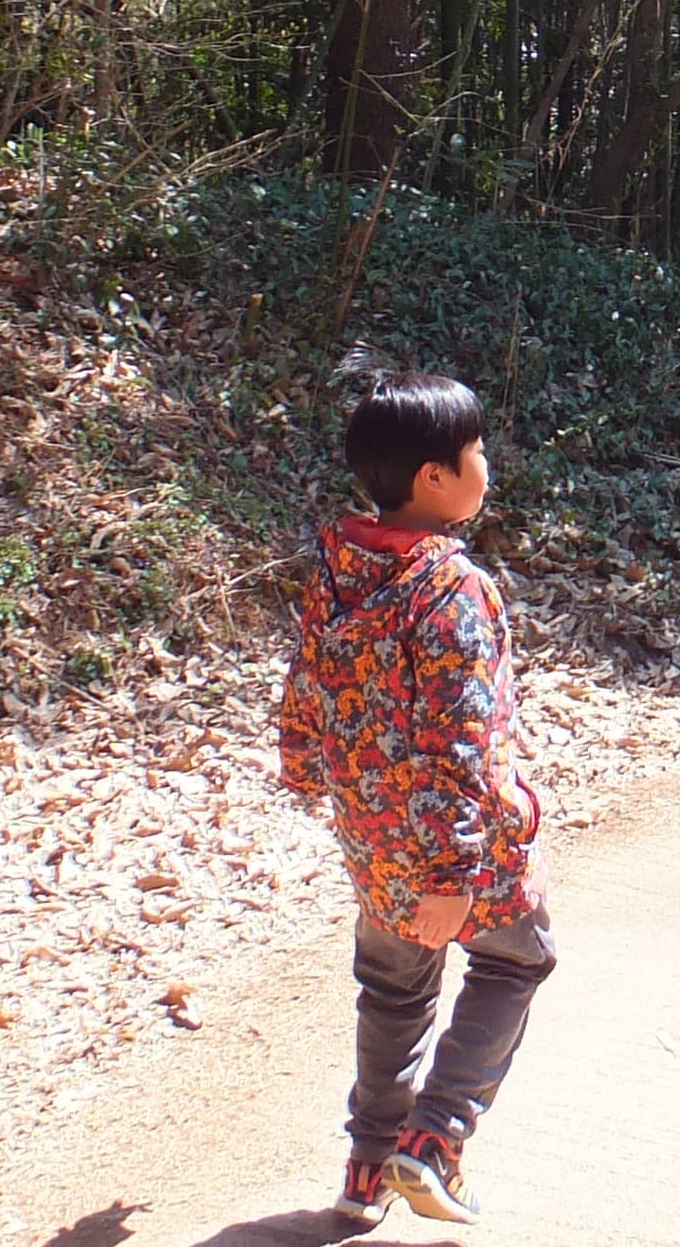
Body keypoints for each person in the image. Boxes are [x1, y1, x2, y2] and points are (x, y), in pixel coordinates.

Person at [276, 373, 551, 1229]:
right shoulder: (453, 592)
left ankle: (366, 1169)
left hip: (373, 842)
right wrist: (453, 872)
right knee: (518, 958)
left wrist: (306, 768)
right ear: (434, 477)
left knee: (393, 993)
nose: (487, 468)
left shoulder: (337, 567)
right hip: (458, 851)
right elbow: (462, 744)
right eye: (476, 453)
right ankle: (435, 1141)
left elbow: (308, 682)